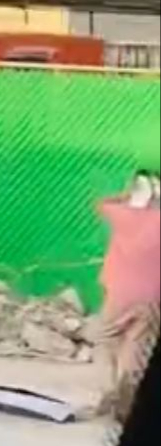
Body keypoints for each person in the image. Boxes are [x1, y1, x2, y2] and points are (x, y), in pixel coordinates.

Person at [96, 171, 160, 421]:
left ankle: (110, 391)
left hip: (120, 291)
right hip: (153, 295)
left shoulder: (122, 216)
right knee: (136, 343)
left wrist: (130, 196)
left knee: (105, 339)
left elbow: (102, 203)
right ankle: (128, 395)